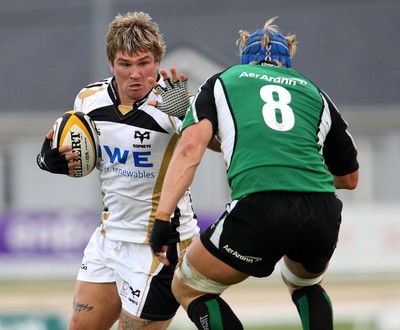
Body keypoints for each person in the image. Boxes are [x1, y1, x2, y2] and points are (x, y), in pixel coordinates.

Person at [149, 17, 359, 330]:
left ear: (244, 57)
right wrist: (298, 177)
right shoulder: (316, 94)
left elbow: (191, 147)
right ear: (288, 60)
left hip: (259, 206)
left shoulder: (224, 81)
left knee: (189, 286)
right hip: (321, 209)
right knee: (305, 284)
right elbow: (349, 179)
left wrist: (163, 218)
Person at [36, 11, 202, 330]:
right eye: (125, 64)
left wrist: (187, 113)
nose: (135, 74)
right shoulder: (88, 99)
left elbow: (221, 145)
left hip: (159, 244)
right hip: (109, 238)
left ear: (157, 61)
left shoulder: (176, 104)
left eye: (144, 63)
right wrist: (48, 159)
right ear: (111, 63)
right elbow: (76, 153)